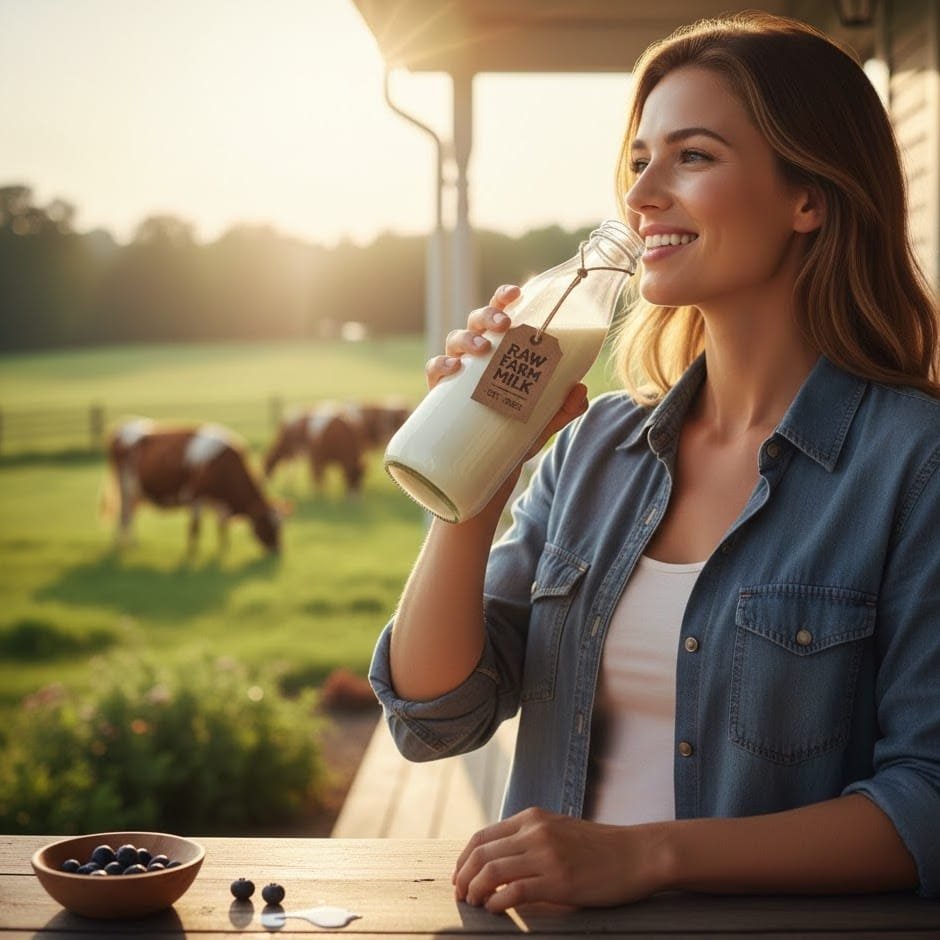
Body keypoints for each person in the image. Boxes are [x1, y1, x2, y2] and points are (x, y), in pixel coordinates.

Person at [369, 11, 940, 913]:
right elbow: (437, 716)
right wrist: (476, 480)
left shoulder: (914, 466)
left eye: (694, 156)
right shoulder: (595, 449)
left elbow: (928, 804)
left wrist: (647, 856)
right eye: (639, 161)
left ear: (810, 198)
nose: (641, 197)